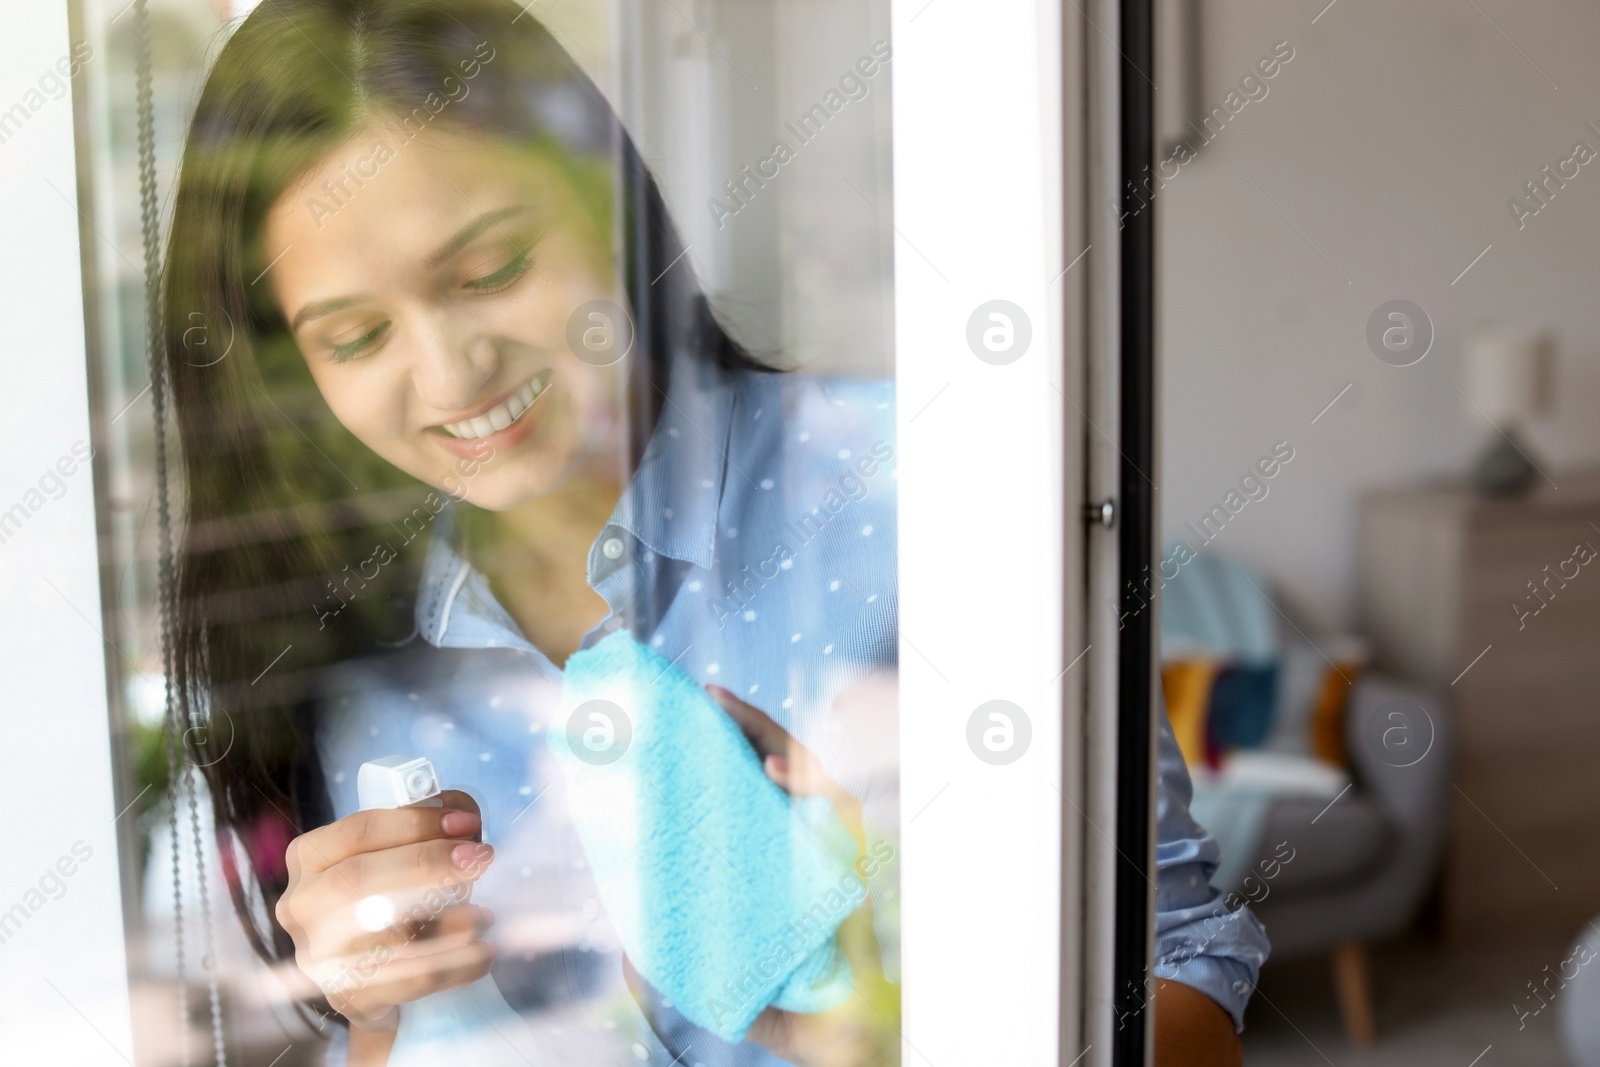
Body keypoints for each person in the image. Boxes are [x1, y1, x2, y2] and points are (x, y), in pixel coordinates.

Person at [160, 2, 1267, 1065]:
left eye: (493, 269)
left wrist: (879, 1021)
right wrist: (380, 1012)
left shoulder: (927, 489)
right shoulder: (357, 665)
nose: (453, 374)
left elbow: (1183, 988)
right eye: (353, 337)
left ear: (605, 204)